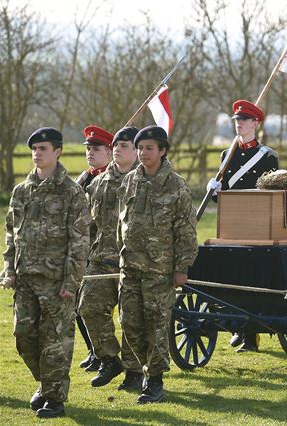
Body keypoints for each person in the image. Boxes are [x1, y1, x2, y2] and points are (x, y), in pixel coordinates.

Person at [2, 128, 90, 418]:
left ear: (58, 152)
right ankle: (45, 384)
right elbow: (11, 235)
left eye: (43, 148)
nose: (37, 153)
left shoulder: (71, 192)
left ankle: (55, 398)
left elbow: (79, 241)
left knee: (55, 342)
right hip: (25, 279)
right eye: (34, 149)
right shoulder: (21, 191)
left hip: (56, 283)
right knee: (23, 337)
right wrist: (9, 269)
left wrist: (71, 281)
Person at [117, 125, 198, 403]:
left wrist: (182, 267)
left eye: (149, 148)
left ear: (162, 151)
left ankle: (155, 380)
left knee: (157, 325)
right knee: (129, 323)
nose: (142, 153)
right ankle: (143, 368)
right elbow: (122, 223)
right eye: (139, 148)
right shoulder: (129, 181)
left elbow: (186, 230)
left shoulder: (176, 185)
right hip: (130, 268)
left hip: (160, 272)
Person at [207, 99, 278, 352]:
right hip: (230, 224)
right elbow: (222, 195)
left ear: (256, 123)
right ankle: (236, 325)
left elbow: (271, 192)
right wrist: (215, 190)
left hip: (257, 224)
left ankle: (250, 334)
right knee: (230, 274)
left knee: (251, 277)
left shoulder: (267, 156)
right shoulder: (227, 154)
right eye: (237, 120)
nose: (240, 124)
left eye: (245, 120)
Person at [78, 126, 143, 390]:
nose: (117, 148)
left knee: (131, 319)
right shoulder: (97, 183)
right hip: (102, 259)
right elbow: (88, 225)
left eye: (124, 144)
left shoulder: (147, 181)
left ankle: (135, 372)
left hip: (136, 263)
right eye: (115, 144)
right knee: (87, 307)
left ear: (137, 150)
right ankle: (108, 358)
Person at [76, 125, 114, 373]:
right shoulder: (84, 177)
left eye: (96, 149)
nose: (90, 153)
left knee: (89, 304)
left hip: (102, 251)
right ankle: (94, 351)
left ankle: (105, 355)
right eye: (88, 148)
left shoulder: (112, 179)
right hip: (81, 250)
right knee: (76, 307)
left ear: (109, 152)